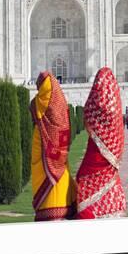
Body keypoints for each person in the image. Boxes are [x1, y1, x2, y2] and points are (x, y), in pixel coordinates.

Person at [76, 67, 127, 219]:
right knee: (107, 177)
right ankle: (110, 209)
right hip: (109, 161)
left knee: (84, 179)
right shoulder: (115, 104)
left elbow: (88, 112)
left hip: (95, 156)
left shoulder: (95, 104)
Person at [30, 71, 76, 221]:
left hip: (47, 159)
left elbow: (33, 109)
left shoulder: (39, 102)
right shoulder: (61, 107)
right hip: (61, 160)